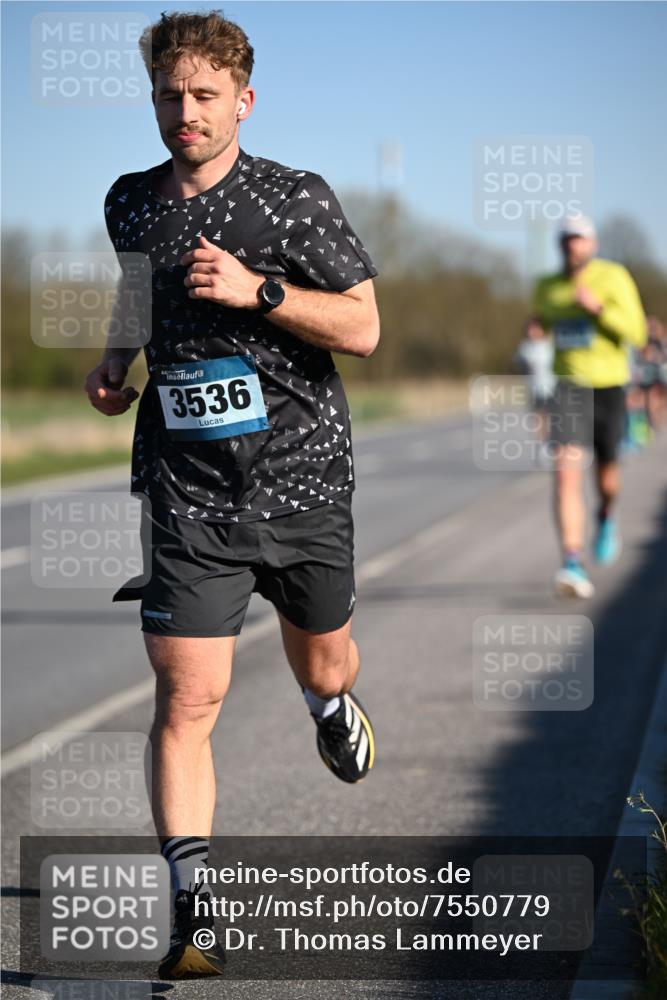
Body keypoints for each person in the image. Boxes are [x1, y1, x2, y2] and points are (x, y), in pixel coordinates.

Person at [84, 10, 379, 979]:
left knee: (329, 663)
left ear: (242, 101)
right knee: (186, 694)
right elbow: (136, 283)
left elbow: (364, 326)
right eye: (171, 95)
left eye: (205, 95)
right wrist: (117, 356)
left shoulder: (293, 200)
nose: (186, 112)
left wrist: (259, 291)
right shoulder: (130, 201)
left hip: (299, 478)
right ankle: (194, 914)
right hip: (186, 491)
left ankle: (326, 703)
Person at [531, 214, 646, 598]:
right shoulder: (547, 287)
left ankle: (606, 514)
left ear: (592, 244)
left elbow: (638, 333)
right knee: (565, 473)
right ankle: (572, 561)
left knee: (607, 480)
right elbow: (543, 327)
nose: (571, 246)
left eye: (578, 239)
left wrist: (598, 309)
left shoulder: (614, 277)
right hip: (569, 388)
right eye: (565, 240)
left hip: (609, 387)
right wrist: (536, 330)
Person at [513, 318, 556, 462]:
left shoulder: (549, 345)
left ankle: (550, 443)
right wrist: (525, 365)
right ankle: (542, 446)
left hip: (550, 387)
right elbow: (517, 364)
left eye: (535, 329)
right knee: (538, 418)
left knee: (550, 418)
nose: (532, 332)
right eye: (530, 329)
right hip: (534, 388)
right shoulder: (524, 347)